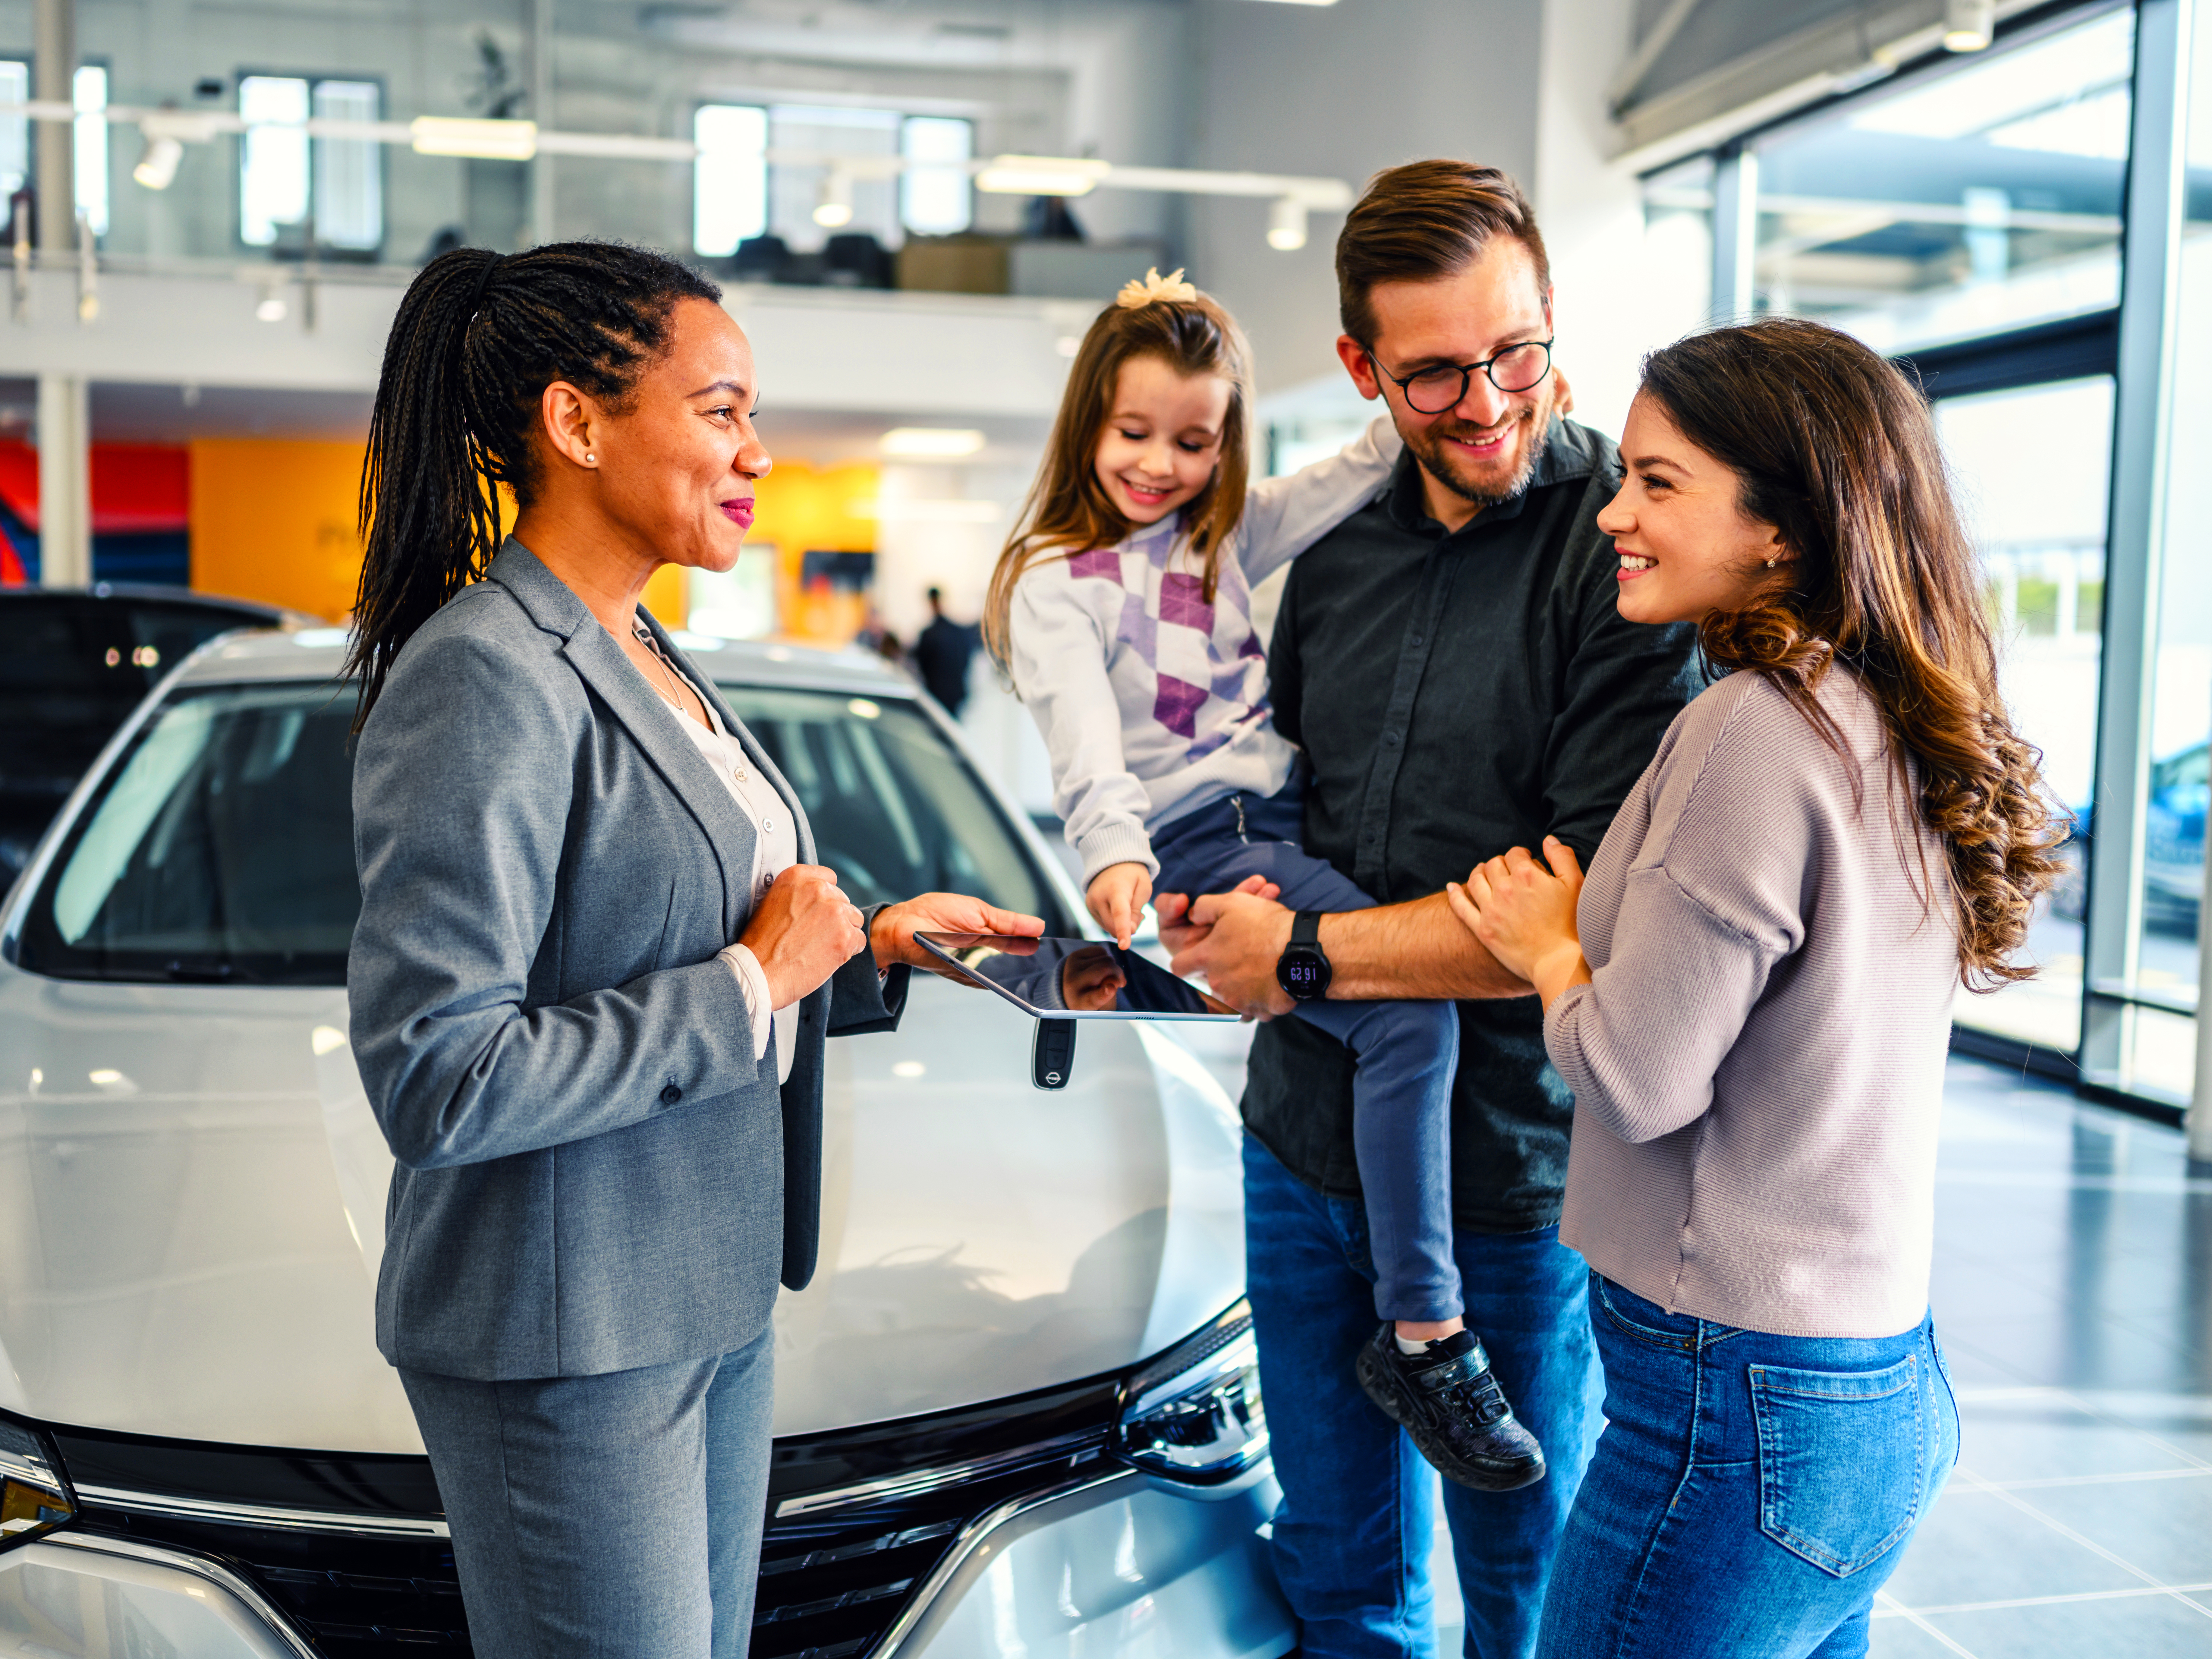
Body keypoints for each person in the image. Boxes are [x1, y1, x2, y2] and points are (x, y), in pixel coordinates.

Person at [342, 241, 1041, 1659]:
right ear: (579, 423)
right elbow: (439, 1074)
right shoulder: (486, 673)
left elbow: (672, 935)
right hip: (566, 1328)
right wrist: (750, 983)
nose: (757, 452)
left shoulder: (646, 647)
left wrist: (868, 952)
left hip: (698, 1289)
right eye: (720, 410)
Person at [1156, 162, 1703, 1659]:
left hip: (1516, 1167)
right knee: (1338, 1569)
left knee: (1528, 1582)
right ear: (1359, 367)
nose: (1484, 402)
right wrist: (1220, 906)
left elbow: (1577, 903)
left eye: (1514, 351)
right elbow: (1257, 784)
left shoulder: (1628, 552)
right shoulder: (1317, 547)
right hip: (1300, 1134)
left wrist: (1309, 949)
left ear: (1551, 325)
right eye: (1434, 372)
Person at [1449, 319, 2059, 1658]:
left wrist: (1549, 945)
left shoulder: (1747, 727)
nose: (1613, 508)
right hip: (1871, 1386)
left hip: (1729, 1409)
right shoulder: (1888, 709)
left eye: (1659, 483)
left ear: (1779, 527)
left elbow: (1636, 1078)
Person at [987, 264, 1545, 1491]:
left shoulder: (1220, 537)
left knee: (1376, 1027)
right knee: (1405, 1018)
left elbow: (1355, 469)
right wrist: (1117, 861)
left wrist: (1487, 386)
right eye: (1132, 431)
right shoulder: (1053, 581)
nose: (1158, 462)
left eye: (1193, 439)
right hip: (1199, 840)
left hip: (1277, 828)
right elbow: (1084, 749)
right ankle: (1424, 1332)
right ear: (1087, 421)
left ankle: (1405, 1301)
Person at [912, 585, 978, 716]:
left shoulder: (930, 635)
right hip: (955, 693)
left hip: (937, 693)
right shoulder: (956, 632)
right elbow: (965, 660)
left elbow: (922, 666)